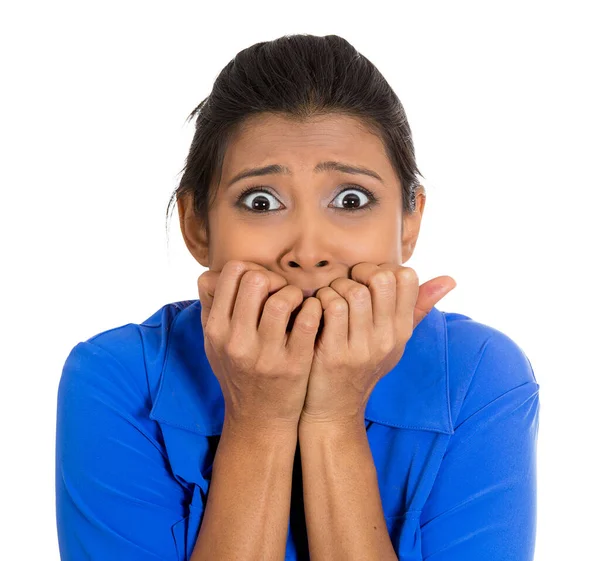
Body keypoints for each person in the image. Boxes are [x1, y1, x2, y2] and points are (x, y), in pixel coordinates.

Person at [55, 34, 540, 561]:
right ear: (197, 226)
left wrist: (335, 417)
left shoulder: (479, 375)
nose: (308, 252)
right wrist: (259, 418)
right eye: (261, 201)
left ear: (408, 224)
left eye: (351, 199)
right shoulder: (114, 378)